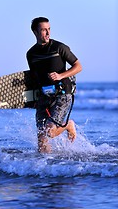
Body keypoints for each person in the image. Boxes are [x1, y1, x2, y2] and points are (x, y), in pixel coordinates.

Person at [26, 17, 82, 153]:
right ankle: (47, 168)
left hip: (63, 93)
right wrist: (32, 99)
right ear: (35, 32)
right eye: (43, 30)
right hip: (44, 95)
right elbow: (34, 77)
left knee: (49, 132)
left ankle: (68, 125)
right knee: (41, 139)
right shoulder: (31, 54)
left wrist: (60, 75)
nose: (47, 33)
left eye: (49, 29)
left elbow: (78, 66)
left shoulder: (59, 48)